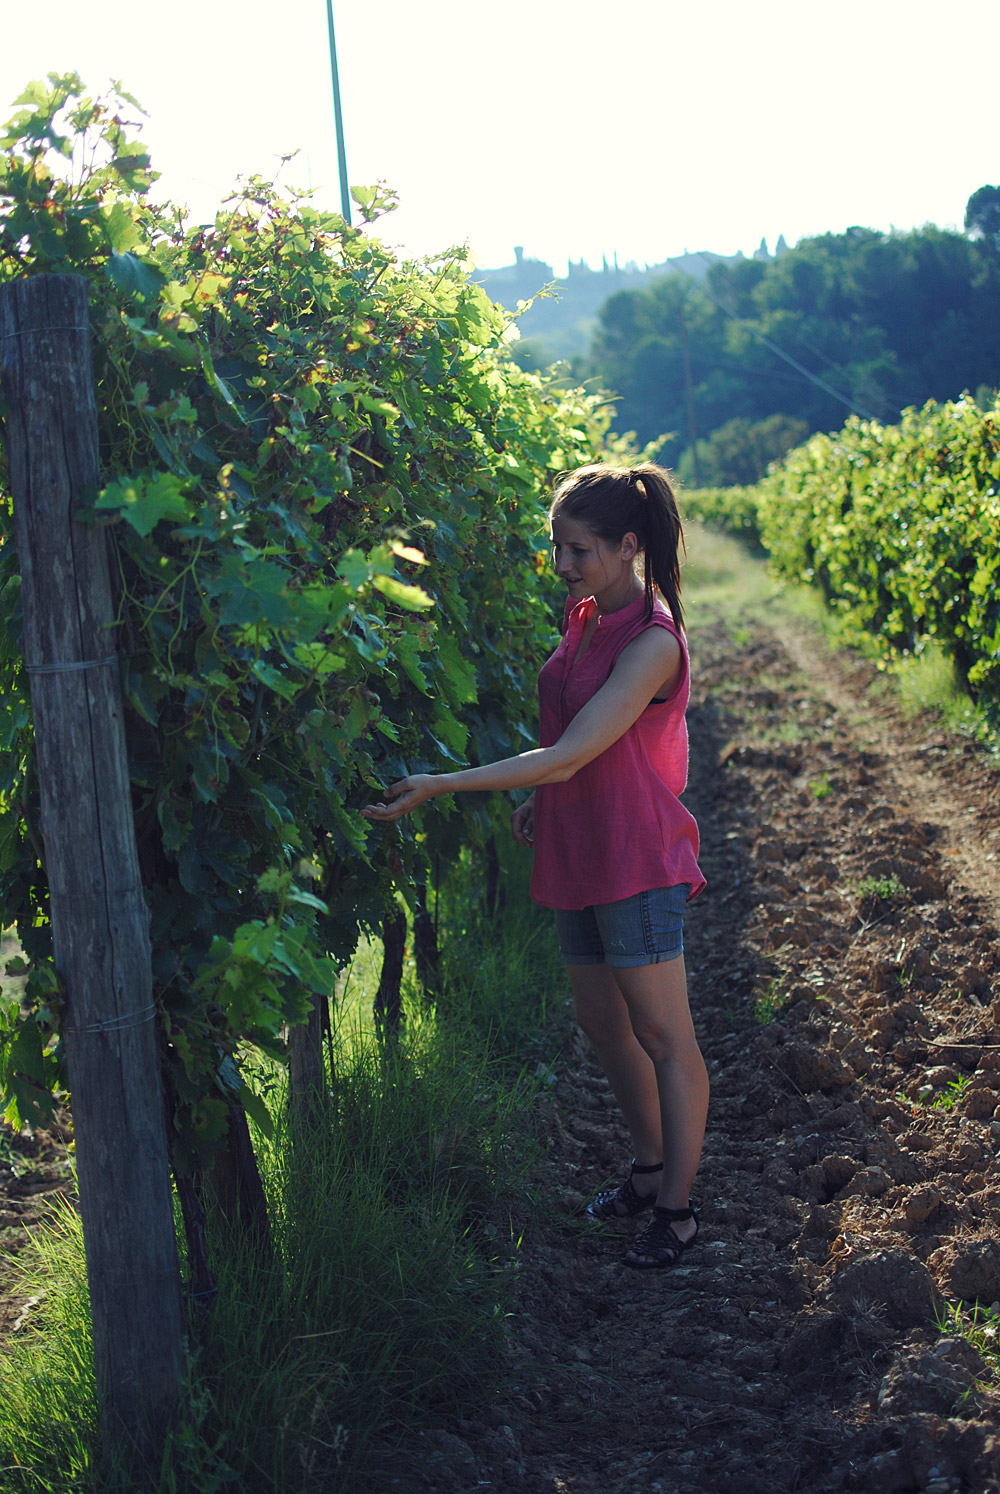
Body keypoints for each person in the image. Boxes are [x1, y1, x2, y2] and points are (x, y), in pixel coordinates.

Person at [363, 463, 708, 1269]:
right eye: (557, 548)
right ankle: (648, 1168)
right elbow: (574, 739)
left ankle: (679, 1210)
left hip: (636, 853)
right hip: (575, 841)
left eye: (580, 550)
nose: (563, 566)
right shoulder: (583, 614)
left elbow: (572, 752)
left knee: (663, 1034)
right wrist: (543, 802)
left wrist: (446, 783)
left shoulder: (655, 641)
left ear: (629, 546)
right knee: (601, 1023)